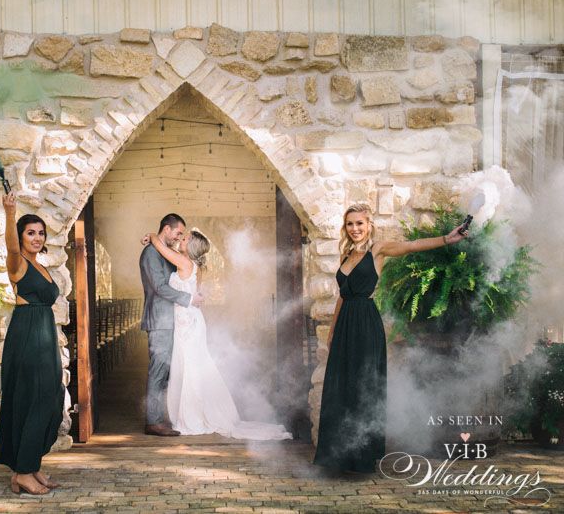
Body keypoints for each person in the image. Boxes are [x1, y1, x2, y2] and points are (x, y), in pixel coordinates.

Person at [313, 203, 468, 473]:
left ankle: (361, 457)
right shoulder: (346, 255)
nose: (355, 229)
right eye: (350, 224)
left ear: (369, 224)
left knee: (363, 386)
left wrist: (446, 239)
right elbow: (342, 296)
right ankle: (337, 456)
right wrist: (333, 331)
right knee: (341, 387)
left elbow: (413, 245)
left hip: (365, 325)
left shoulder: (378, 250)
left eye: (360, 223)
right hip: (345, 327)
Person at [142, 228, 292, 441]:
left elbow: (159, 246)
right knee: (188, 367)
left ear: (191, 247)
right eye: (182, 237)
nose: (181, 240)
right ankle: (191, 413)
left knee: (189, 368)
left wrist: (152, 236)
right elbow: (196, 292)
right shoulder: (193, 266)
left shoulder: (184, 263)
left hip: (187, 323)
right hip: (189, 320)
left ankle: (192, 416)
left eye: (185, 239)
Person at [0, 191, 64, 495]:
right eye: (30, 233)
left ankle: (31, 465)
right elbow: (9, 245)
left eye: (40, 233)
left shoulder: (41, 266)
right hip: (27, 336)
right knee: (32, 399)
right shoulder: (18, 263)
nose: (36, 238)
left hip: (44, 336)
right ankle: (22, 472)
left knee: (50, 396)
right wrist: (10, 213)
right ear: (21, 237)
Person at [139, 214, 204, 436]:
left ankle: (160, 417)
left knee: (168, 370)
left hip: (172, 320)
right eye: (177, 233)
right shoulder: (150, 253)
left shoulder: (164, 252)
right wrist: (188, 299)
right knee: (159, 369)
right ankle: (153, 422)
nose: (179, 238)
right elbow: (159, 287)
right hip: (160, 320)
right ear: (167, 229)